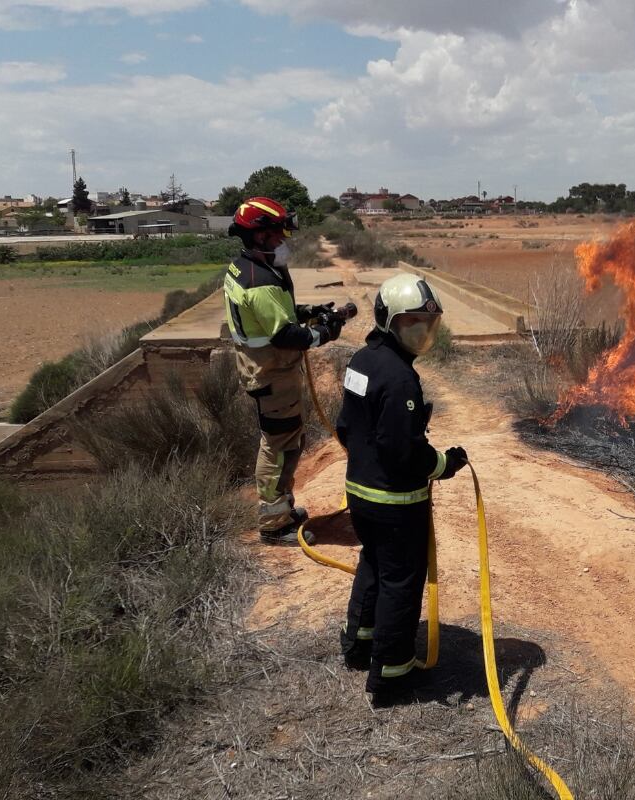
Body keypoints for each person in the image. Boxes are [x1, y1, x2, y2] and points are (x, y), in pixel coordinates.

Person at [335, 273, 467, 707]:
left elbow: (346, 426)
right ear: (388, 320)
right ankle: (392, 676)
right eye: (411, 322)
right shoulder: (400, 379)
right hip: (395, 503)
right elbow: (405, 452)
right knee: (401, 583)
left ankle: (358, 645)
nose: (421, 332)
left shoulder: (361, 361)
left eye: (427, 324)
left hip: (360, 493)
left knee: (373, 565)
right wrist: (446, 464)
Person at [223, 196, 346, 545]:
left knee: (289, 440)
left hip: (266, 369)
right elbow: (285, 335)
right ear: (259, 235)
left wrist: (308, 310)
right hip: (271, 372)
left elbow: (274, 313)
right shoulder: (260, 280)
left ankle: (283, 508)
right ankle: (274, 525)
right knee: (278, 447)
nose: (283, 241)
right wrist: (325, 332)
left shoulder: (247, 268)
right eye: (278, 234)